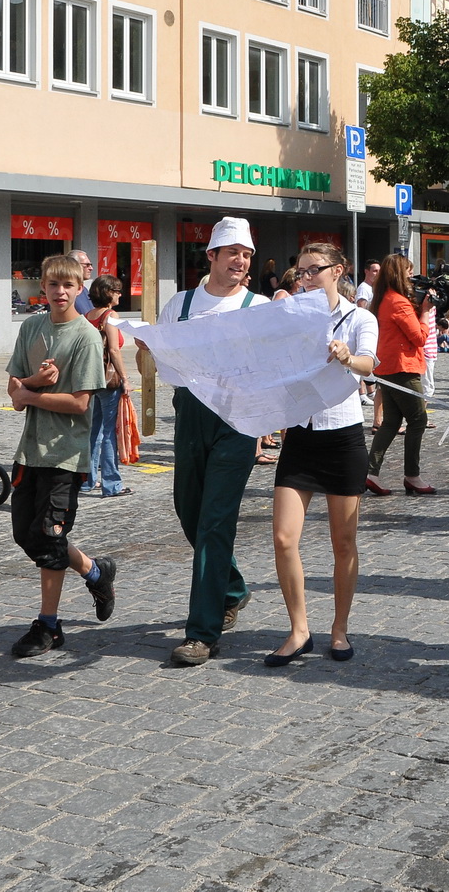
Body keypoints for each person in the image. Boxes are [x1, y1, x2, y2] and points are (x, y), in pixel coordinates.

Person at [151, 217, 269, 666]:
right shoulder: (179, 304)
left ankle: (202, 631)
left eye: (247, 254)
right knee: (189, 510)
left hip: (237, 420)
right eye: (233, 252)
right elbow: (163, 356)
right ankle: (233, 588)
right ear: (212, 257)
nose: (241, 261)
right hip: (191, 416)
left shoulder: (259, 307)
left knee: (215, 520)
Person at [265, 242, 378, 666]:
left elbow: (369, 362)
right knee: (282, 537)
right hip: (301, 435)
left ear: (338, 271)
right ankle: (298, 630)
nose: (307, 278)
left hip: (342, 438)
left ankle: (339, 629)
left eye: (315, 270)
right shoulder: (293, 318)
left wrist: (349, 357)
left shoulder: (359, 317)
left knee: (343, 541)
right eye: (302, 270)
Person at [4, 254, 116, 658]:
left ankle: (48, 625)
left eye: (68, 285)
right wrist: (32, 383)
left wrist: (31, 394)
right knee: (24, 534)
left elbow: (81, 403)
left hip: (65, 455)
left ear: (79, 288)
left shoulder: (86, 336)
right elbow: (14, 392)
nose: (61, 291)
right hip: (29, 451)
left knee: (50, 538)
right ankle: (96, 570)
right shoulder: (32, 327)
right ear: (44, 287)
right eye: (54, 284)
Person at [365, 254, 436, 496]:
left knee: (391, 422)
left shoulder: (384, 298)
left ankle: (370, 472)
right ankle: (412, 476)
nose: (411, 278)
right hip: (403, 368)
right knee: (418, 420)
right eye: (408, 272)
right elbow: (419, 338)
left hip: (387, 367)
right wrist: (425, 312)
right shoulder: (398, 302)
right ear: (398, 274)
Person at [83, 274, 132, 497]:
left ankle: (88, 480)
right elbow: (114, 350)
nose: (120, 294)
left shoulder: (87, 316)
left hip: (91, 379)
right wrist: (126, 378)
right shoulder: (110, 316)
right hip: (108, 379)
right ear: (108, 293)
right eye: (117, 290)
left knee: (94, 431)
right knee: (111, 432)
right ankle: (112, 484)